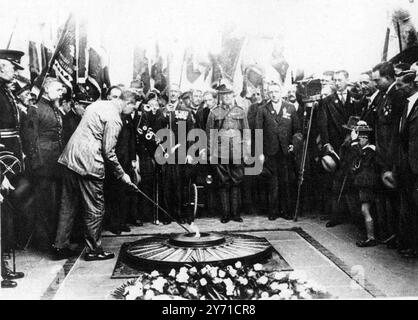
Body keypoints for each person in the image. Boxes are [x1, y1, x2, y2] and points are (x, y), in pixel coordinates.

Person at [52, 89, 140, 261]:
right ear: (128, 103)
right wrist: (123, 175)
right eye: (133, 108)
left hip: (70, 158)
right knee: (95, 208)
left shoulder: (98, 104)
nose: (133, 111)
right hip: (89, 164)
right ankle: (94, 250)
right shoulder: (115, 119)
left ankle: (59, 246)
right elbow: (109, 152)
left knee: (67, 205)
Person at [24, 77, 65, 250]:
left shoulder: (53, 107)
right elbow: (30, 139)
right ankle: (45, 243)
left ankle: (53, 241)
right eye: (58, 89)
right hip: (43, 165)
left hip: (55, 163)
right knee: (44, 205)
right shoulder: (35, 109)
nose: (61, 92)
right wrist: (37, 165)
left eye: (61, 89)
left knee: (54, 203)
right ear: (46, 90)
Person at [256, 82, 301, 220]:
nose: (274, 94)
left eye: (276, 91)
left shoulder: (290, 108)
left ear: (281, 92)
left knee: (286, 181)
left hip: (286, 151)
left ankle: (287, 211)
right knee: (273, 182)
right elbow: (258, 133)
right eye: (271, 92)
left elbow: (298, 131)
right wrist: (260, 153)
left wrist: (294, 144)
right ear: (268, 94)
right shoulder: (263, 109)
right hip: (270, 152)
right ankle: (273, 211)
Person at [207, 81, 250, 223]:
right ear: (220, 96)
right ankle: (225, 214)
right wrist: (211, 153)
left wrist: (246, 151)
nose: (226, 97)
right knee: (223, 182)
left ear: (233, 95)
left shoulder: (240, 111)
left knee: (236, 182)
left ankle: (236, 214)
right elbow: (210, 134)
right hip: (220, 152)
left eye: (229, 94)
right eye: (223, 95)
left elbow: (246, 132)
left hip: (237, 151)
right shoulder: (214, 112)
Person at [318, 70, 357, 227]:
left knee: (352, 179)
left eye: (340, 79)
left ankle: (353, 215)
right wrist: (327, 143)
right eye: (335, 80)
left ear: (347, 80)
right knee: (336, 180)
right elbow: (323, 124)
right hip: (335, 145)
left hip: (352, 144)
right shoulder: (327, 101)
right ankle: (336, 215)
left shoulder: (356, 99)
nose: (337, 82)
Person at [371, 62, 403, 249]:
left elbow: (396, 132)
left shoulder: (396, 97)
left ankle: (399, 235)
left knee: (396, 198)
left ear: (389, 78)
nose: (375, 83)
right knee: (388, 198)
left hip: (392, 157)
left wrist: (392, 160)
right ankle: (392, 233)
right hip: (382, 155)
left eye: (378, 80)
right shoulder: (383, 96)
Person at [157, 84, 194, 224]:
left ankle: (179, 214)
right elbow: (157, 127)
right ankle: (167, 215)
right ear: (168, 93)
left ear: (179, 93)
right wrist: (165, 113)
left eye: (175, 91)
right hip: (166, 151)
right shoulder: (163, 110)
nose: (173, 94)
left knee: (180, 185)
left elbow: (191, 132)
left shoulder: (186, 111)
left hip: (181, 151)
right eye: (171, 91)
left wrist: (190, 152)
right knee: (167, 184)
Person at [395, 70, 418, 258]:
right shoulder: (406, 104)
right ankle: (409, 244)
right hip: (407, 165)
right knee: (409, 206)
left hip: (416, 164)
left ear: (411, 85)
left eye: (401, 84)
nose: (398, 88)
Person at [348, 121, 378, 247]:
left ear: (366, 139)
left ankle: (371, 237)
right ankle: (369, 235)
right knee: (364, 210)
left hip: (367, 184)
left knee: (365, 210)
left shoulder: (370, 151)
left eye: (361, 138)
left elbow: (360, 157)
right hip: (363, 184)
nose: (359, 140)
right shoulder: (365, 150)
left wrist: (354, 142)